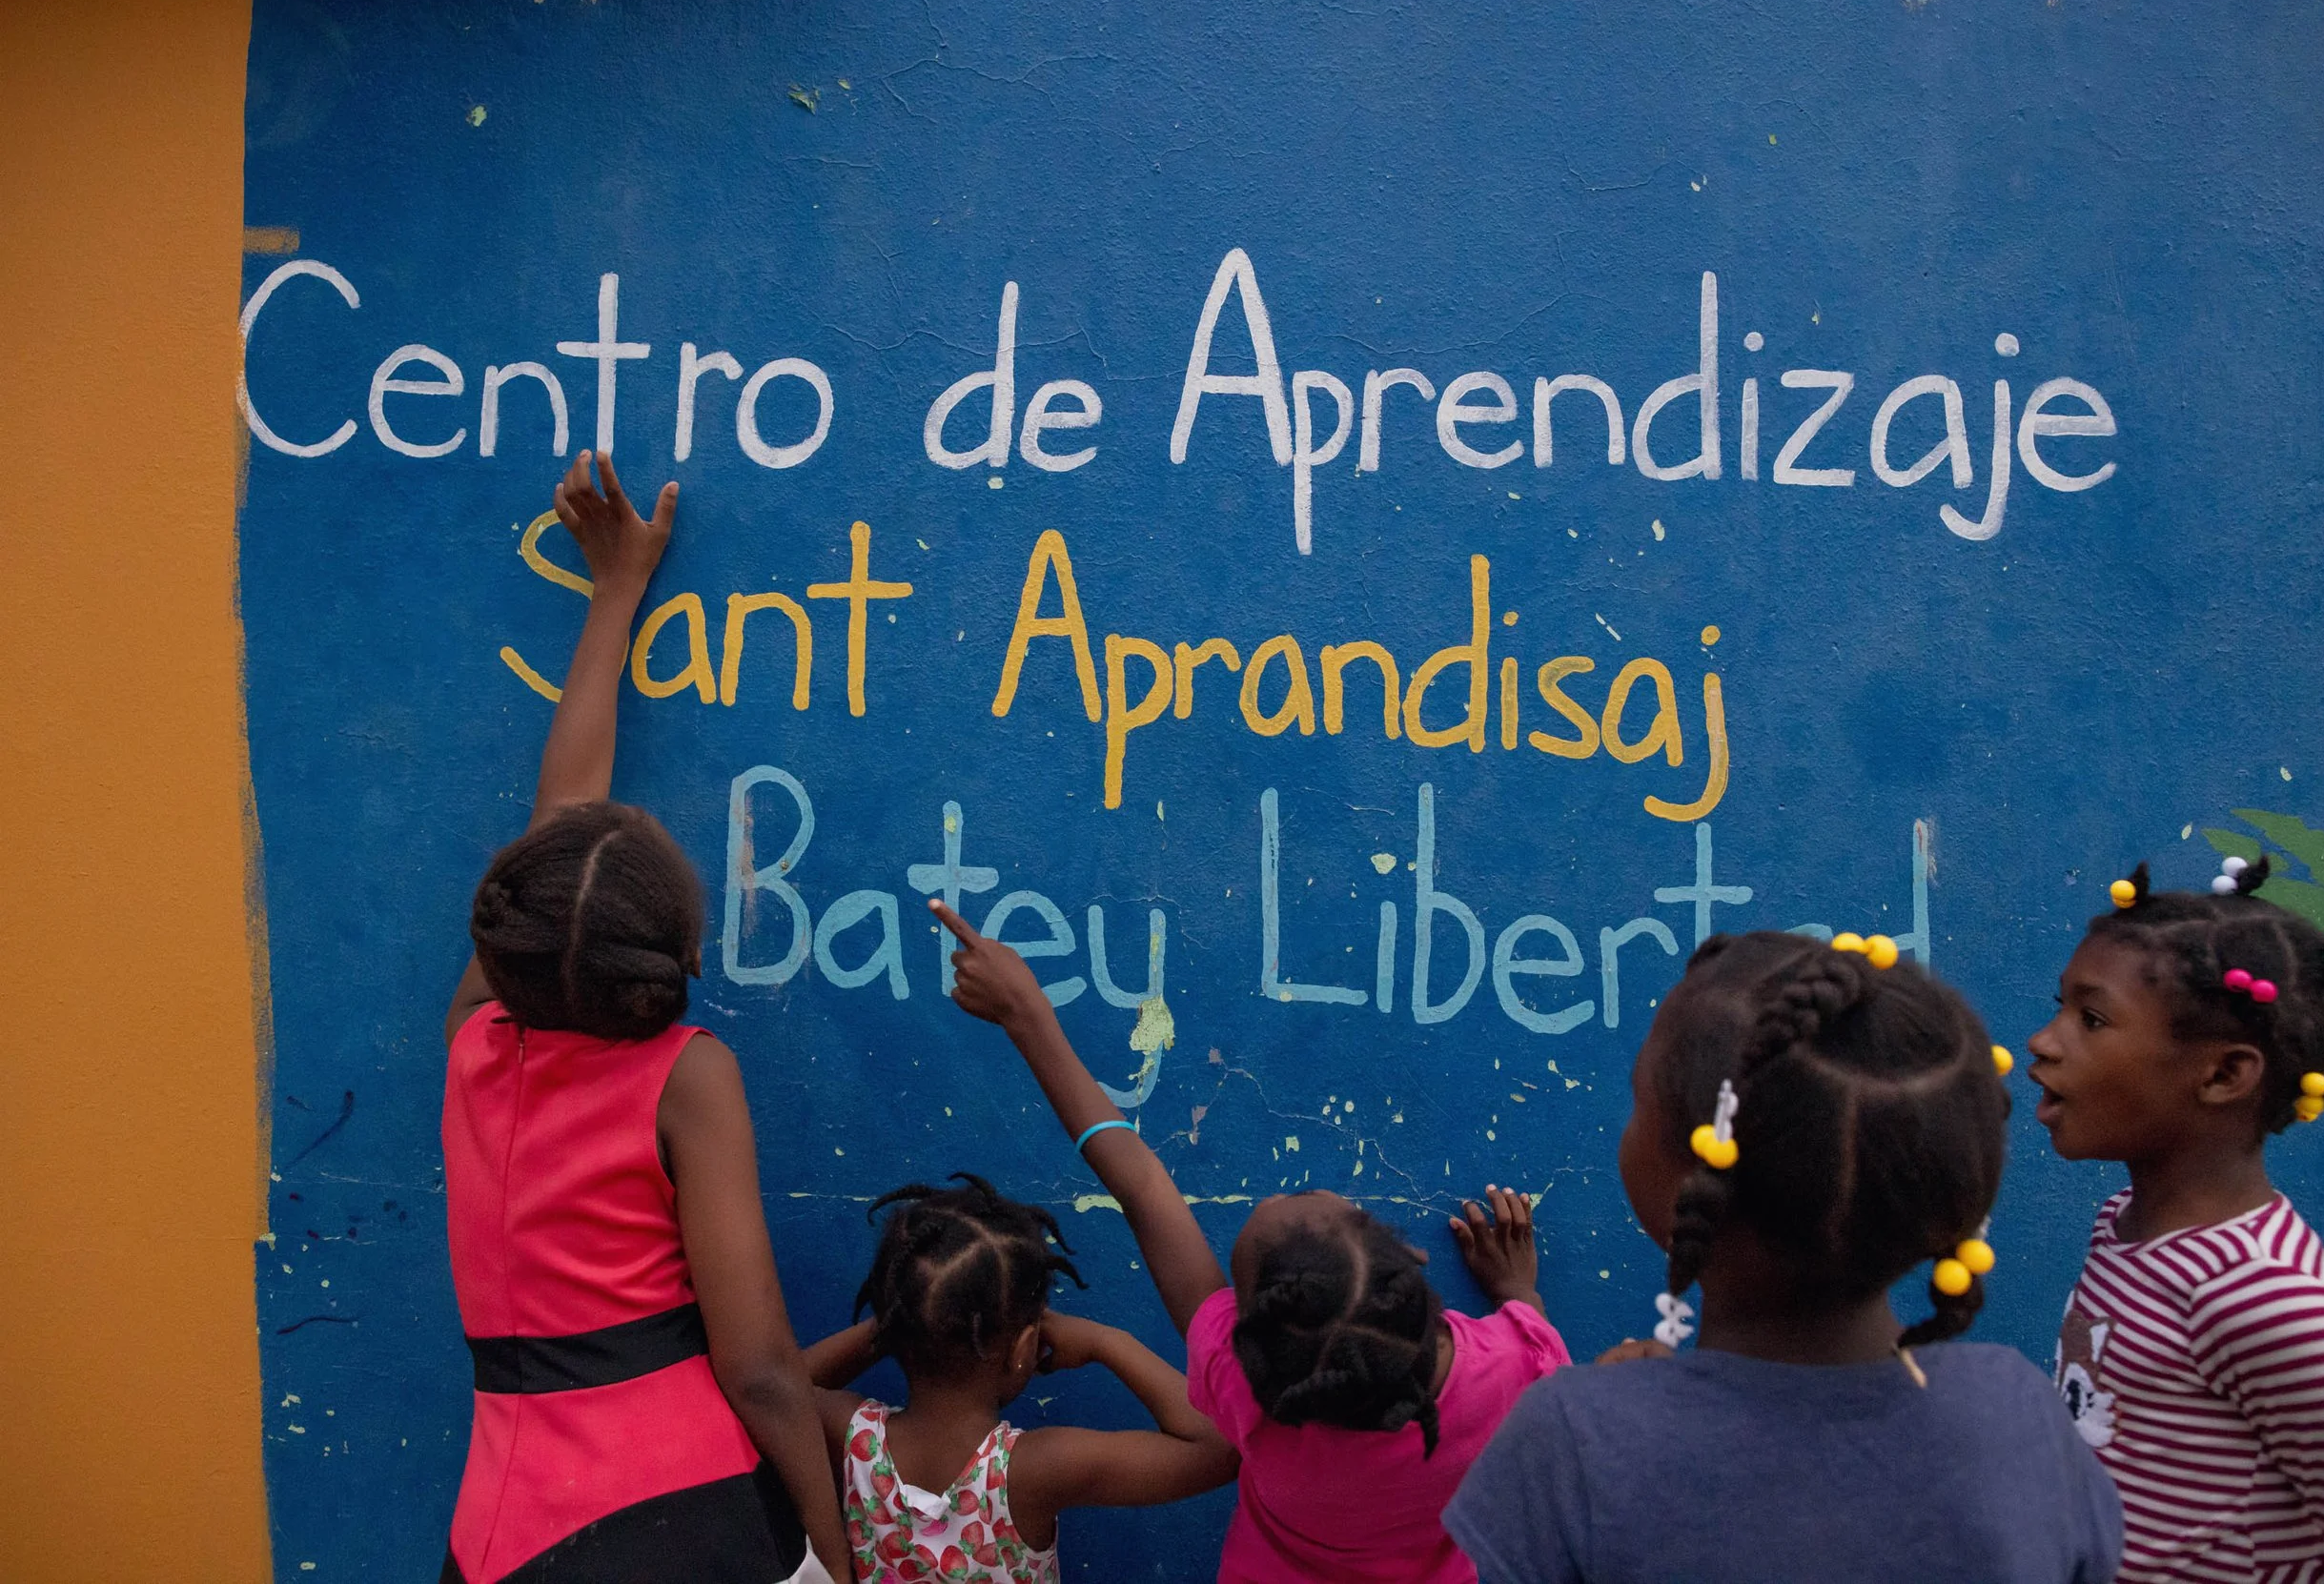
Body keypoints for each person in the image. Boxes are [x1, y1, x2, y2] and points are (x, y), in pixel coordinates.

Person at [439, 454, 851, 1584]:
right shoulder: (684, 1076)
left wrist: (614, 591)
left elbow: (559, 833)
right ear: (672, 962)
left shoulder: (476, 1041)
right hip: (679, 1515)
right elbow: (764, 1365)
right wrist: (828, 1546)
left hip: (499, 1529)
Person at [1446, 930, 2124, 1584]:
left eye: (1638, 1098)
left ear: (1699, 1180)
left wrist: (1613, 1417)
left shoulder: (1569, 1445)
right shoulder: (2017, 1413)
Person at [930, 896, 1570, 1584]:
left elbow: (1143, 1187)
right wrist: (1518, 1291)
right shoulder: (1514, 1366)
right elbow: (1536, 1361)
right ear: (1409, 1263)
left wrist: (1027, 1018)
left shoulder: (1246, 1390)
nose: (1278, 1193)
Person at [2029, 858, 2324, 1580]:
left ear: (2224, 1075)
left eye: (2091, 1020)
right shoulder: (2125, 1222)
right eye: (2061, 1007)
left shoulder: (2265, 1297)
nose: (2045, 1040)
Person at [798, 1174, 1237, 1582]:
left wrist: (898, 1320)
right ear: (1026, 1347)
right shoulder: (1032, 1470)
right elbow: (1221, 1447)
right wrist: (1107, 1342)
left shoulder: (848, 1432)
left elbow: (773, 1389)